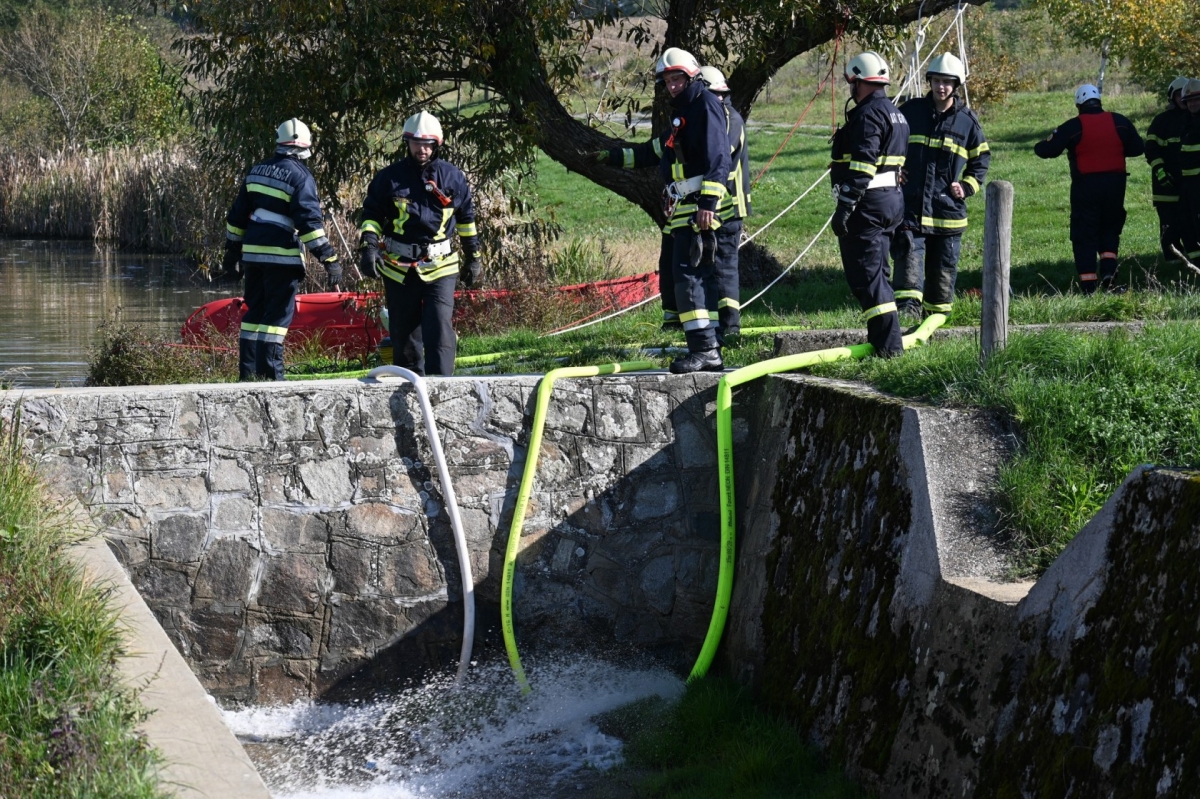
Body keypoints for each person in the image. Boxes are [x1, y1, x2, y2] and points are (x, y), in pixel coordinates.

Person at [596, 47, 730, 372]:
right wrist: (609, 157)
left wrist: (708, 205)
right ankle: (706, 348)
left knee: (689, 276)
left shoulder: (704, 106)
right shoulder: (683, 115)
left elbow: (719, 158)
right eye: (667, 81)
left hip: (698, 206)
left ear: (691, 76)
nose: (671, 86)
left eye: (677, 79)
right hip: (683, 207)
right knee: (686, 277)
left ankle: (705, 351)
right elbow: (653, 152)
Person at [357, 111, 481, 376]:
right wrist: (368, 247)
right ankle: (411, 390)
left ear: (436, 144)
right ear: (407, 143)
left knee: (439, 329)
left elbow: (466, 219)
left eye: (427, 143)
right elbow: (371, 216)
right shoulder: (389, 178)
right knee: (404, 336)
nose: (421, 149)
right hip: (398, 268)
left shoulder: (453, 178)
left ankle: (441, 389)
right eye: (416, 142)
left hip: (441, 266)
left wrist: (474, 257)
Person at [223, 118, 341, 381]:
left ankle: (249, 374)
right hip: (282, 257)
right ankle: (273, 376)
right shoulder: (301, 177)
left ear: (279, 142)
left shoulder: (256, 171)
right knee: (277, 317)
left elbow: (237, 217)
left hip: (252, 255)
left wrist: (231, 252)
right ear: (305, 148)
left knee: (254, 312)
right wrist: (329, 258)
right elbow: (309, 224)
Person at [890, 53, 989, 321]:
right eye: (936, 81)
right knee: (908, 267)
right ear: (929, 81)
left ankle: (936, 324)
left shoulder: (967, 122)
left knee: (942, 275)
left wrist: (967, 187)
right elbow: (889, 143)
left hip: (947, 215)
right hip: (911, 209)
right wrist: (895, 169)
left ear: (956, 86)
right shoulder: (910, 112)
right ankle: (906, 319)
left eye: (947, 82)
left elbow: (981, 159)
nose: (941, 87)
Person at [830, 51, 908, 357]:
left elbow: (863, 164)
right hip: (889, 203)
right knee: (877, 274)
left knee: (867, 276)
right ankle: (883, 342)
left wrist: (844, 207)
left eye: (853, 82)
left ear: (858, 82)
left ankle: (889, 349)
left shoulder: (867, 115)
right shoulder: (895, 113)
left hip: (867, 206)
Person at [1034, 84, 1144, 294]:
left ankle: (1088, 284)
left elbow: (1046, 150)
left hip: (1086, 186)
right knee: (1110, 229)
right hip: (1116, 185)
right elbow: (1137, 148)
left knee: (1084, 232)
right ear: (1099, 101)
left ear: (1078, 105)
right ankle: (1109, 273)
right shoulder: (1120, 121)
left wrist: (1040, 144)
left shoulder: (1074, 125)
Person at [699, 65, 752, 339]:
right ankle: (715, 324)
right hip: (718, 205)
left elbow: (719, 156)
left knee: (725, 265)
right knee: (712, 265)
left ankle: (730, 328)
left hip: (729, 205)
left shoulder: (729, 119)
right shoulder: (718, 115)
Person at [1145, 77, 1191, 261]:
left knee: (1190, 223)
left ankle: (1193, 260)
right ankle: (1172, 261)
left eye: (1186, 94)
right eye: (1179, 94)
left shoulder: (1194, 120)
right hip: (1166, 186)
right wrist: (1160, 171)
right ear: (1172, 97)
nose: (1182, 98)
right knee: (1169, 225)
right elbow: (1151, 149)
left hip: (1190, 184)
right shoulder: (1161, 121)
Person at [1179, 79, 1200, 265]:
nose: (1193, 104)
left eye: (1196, 100)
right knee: (1187, 225)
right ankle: (1195, 265)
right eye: (1189, 101)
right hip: (1188, 184)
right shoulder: (1185, 122)